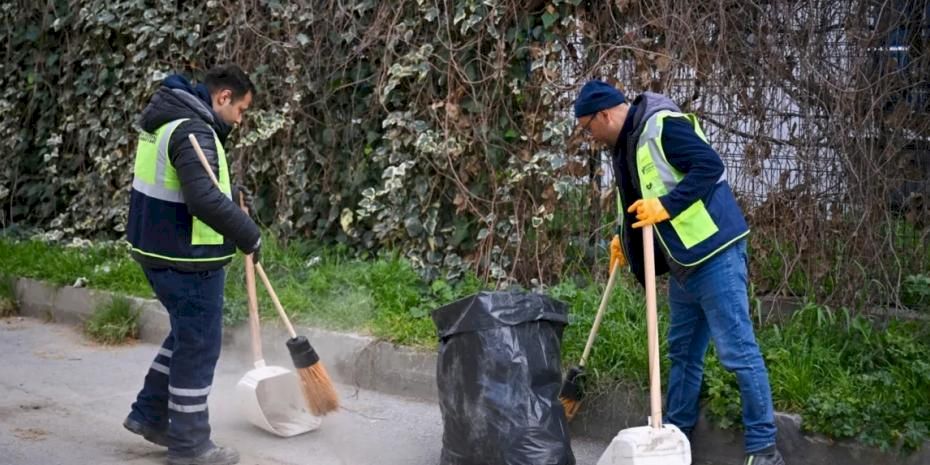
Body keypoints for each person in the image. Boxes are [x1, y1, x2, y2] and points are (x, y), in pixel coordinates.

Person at [574, 80, 785, 465]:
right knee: (683, 353)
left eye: (588, 127)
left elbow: (709, 166)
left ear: (604, 114)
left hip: (715, 254)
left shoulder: (662, 126)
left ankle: (764, 451)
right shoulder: (625, 146)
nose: (590, 137)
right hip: (682, 263)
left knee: (738, 352)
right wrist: (625, 239)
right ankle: (674, 437)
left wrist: (668, 206)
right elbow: (641, 202)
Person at [122, 64, 261, 465]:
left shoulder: (173, 122)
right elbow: (201, 200)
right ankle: (190, 444)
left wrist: (228, 191)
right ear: (223, 98)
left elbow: (193, 183)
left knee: (187, 335)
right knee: (199, 346)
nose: (241, 119)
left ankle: (150, 414)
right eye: (241, 110)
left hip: (158, 248)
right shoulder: (193, 130)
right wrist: (248, 234)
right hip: (186, 258)